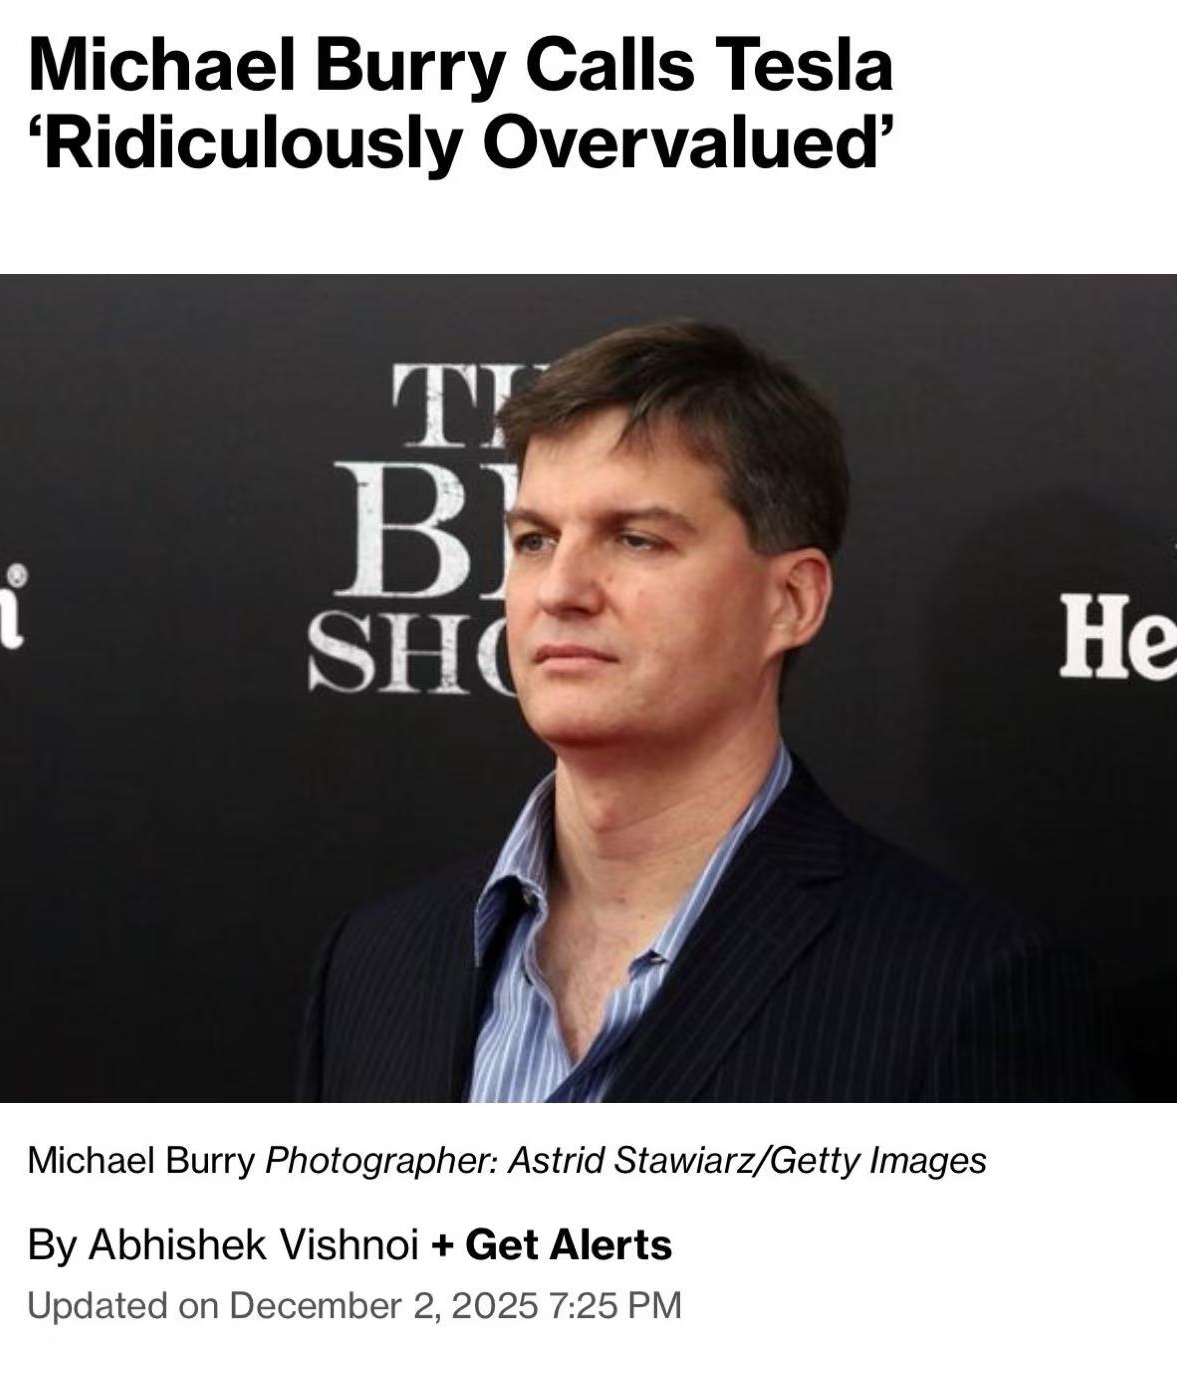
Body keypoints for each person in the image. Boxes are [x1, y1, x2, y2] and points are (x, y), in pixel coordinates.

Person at [298, 320, 1116, 1101]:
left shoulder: (958, 988)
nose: (560, 590)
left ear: (790, 600)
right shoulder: (374, 963)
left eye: (635, 539)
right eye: (534, 540)